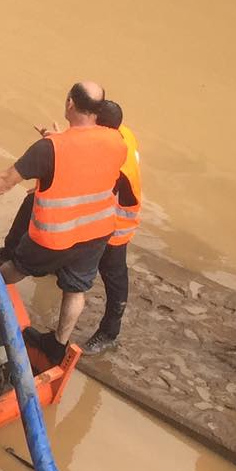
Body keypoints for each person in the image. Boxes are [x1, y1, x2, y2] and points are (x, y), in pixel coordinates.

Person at [0, 81, 130, 352]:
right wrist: (60, 140)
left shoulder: (49, 149)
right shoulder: (117, 142)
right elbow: (87, 166)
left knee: (14, 269)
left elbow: (4, 180)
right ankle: (58, 345)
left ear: (70, 103)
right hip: (96, 232)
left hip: (54, 236)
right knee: (76, 290)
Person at [81, 98, 142, 355]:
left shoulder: (113, 161)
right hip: (110, 212)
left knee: (114, 273)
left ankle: (109, 332)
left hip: (117, 222)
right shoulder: (122, 132)